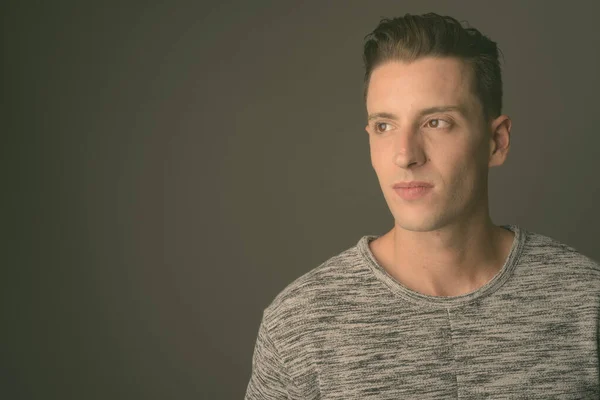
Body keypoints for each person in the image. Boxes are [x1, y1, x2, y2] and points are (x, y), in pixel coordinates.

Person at [244, 12, 600, 399]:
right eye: (385, 126)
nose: (405, 156)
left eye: (436, 122)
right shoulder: (300, 323)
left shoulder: (586, 302)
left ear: (496, 141)